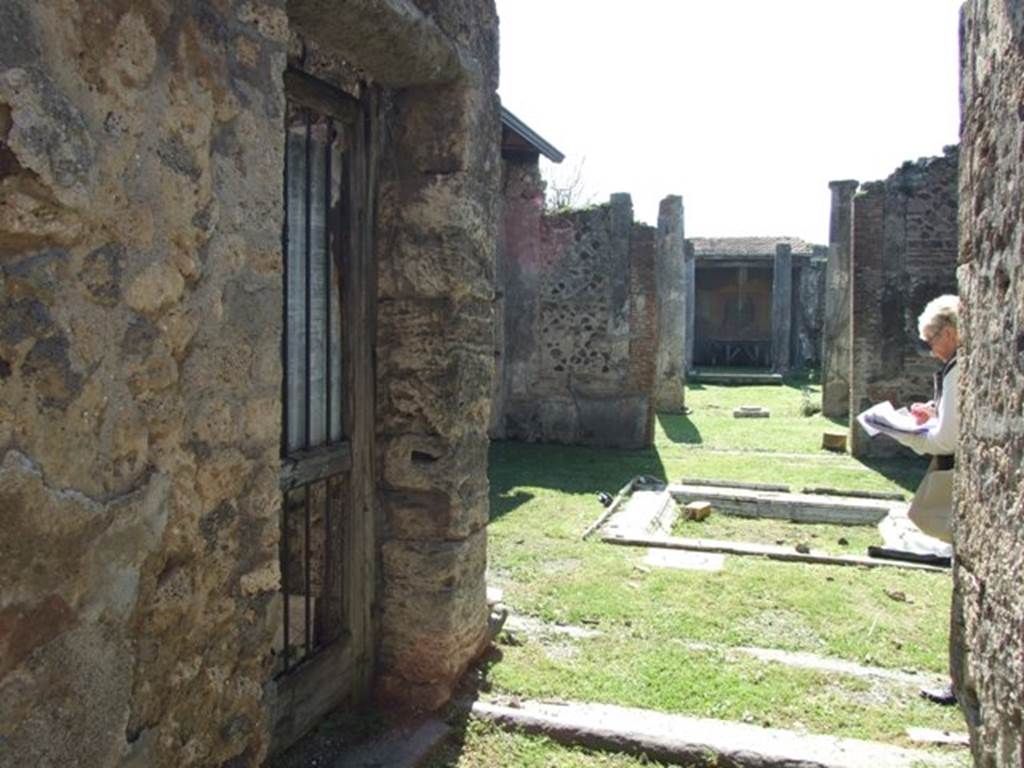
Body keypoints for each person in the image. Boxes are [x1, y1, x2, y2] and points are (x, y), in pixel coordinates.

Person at [891, 294, 960, 705]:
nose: (931, 349)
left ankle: (960, 681)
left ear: (949, 333)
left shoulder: (958, 369)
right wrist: (933, 413)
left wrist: (903, 434)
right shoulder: (956, 368)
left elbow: (947, 440)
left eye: (933, 340)